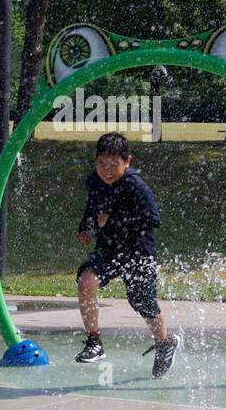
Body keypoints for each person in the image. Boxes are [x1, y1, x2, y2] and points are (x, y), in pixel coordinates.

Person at [74, 132, 178, 377]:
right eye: (102, 164)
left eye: (114, 165)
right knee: (86, 280)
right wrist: (85, 226)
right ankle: (94, 341)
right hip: (108, 250)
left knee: (141, 301)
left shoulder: (136, 186)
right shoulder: (94, 181)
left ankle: (165, 343)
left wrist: (116, 218)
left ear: (127, 161)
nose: (107, 170)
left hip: (138, 252)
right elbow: (93, 206)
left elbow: (154, 219)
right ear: (95, 161)